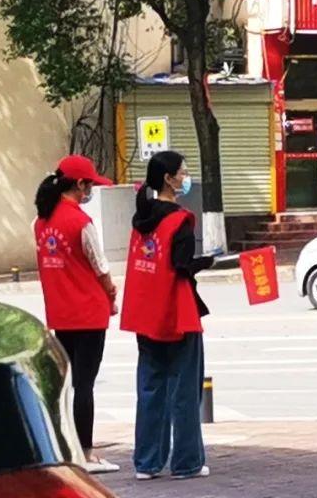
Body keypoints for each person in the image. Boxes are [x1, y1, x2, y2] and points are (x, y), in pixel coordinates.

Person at [121, 151, 215, 481]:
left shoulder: (140, 220)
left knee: (149, 389)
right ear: (168, 179)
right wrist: (205, 262)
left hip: (145, 314)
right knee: (184, 391)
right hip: (177, 314)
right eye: (183, 172)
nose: (185, 177)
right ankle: (187, 462)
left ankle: (146, 462)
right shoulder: (180, 220)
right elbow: (181, 266)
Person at [33, 155, 119, 474]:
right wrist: (111, 294)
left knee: (66, 385)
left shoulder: (40, 222)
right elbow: (100, 266)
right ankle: (87, 452)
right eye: (89, 185)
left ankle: (64, 447)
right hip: (89, 313)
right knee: (85, 384)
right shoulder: (81, 222)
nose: (90, 191)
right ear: (78, 184)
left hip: (61, 313)